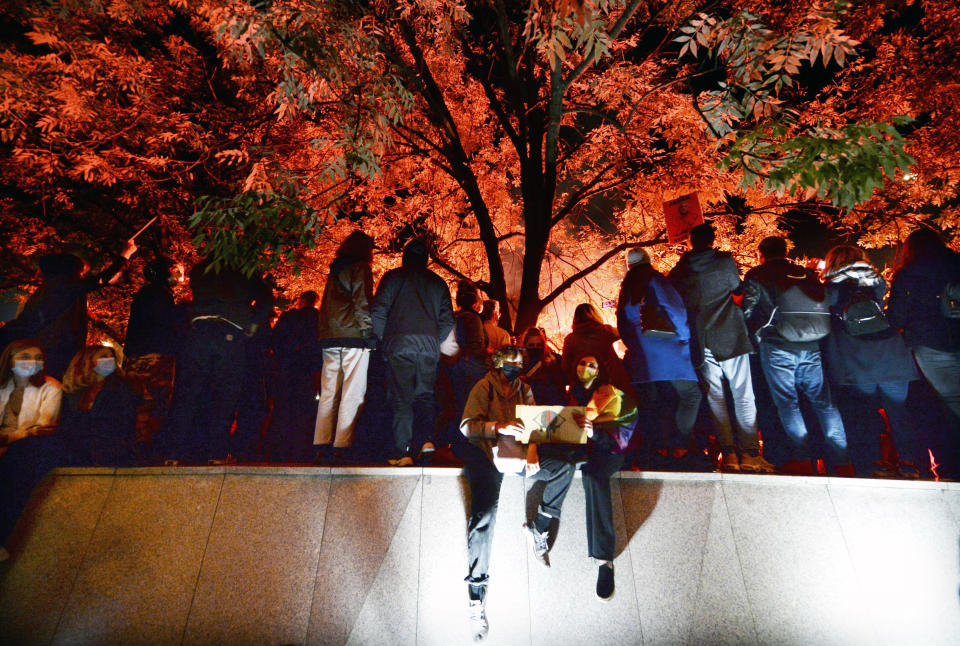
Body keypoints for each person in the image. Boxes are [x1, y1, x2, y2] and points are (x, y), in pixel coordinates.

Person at [459, 346, 574, 640]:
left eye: (518, 364)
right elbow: (467, 426)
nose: (515, 368)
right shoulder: (484, 386)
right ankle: (476, 592)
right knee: (484, 516)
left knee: (563, 469)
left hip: (517, 454)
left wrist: (533, 448)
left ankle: (540, 526)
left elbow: (534, 423)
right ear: (498, 364)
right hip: (487, 454)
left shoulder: (525, 389)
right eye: (510, 363)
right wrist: (498, 426)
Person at [668, 224, 774, 473]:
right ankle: (749, 452)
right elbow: (737, 289)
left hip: (700, 340)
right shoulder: (724, 261)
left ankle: (728, 454)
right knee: (743, 394)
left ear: (691, 242)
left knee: (715, 398)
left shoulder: (680, 270)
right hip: (730, 334)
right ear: (712, 240)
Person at [742, 236, 850, 474]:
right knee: (824, 403)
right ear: (785, 251)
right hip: (811, 345)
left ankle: (802, 458)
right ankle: (841, 459)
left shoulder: (757, 275)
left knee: (787, 403)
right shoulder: (803, 274)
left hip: (777, 345)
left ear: (761, 253)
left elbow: (747, 310)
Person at [821, 245, 923, 478]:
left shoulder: (831, 287)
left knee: (865, 414)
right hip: (890, 353)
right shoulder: (876, 281)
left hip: (856, 357)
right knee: (898, 413)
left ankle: (875, 463)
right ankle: (909, 462)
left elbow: (827, 311)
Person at [163, 258, 274, 464]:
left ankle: (174, 451)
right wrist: (252, 324)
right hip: (229, 330)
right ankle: (217, 452)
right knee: (226, 393)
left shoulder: (201, 270)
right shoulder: (243, 268)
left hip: (198, 331)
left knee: (187, 393)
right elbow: (266, 299)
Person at [616, 248, 706, 470]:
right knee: (690, 396)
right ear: (648, 261)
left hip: (642, 357)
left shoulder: (626, 289)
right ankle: (681, 442)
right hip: (669, 349)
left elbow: (621, 324)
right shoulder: (656, 280)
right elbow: (675, 309)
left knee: (653, 403)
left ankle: (660, 446)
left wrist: (635, 347)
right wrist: (684, 337)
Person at [1, 240, 138, 379]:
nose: (82, 277)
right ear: (69, 271)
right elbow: (101, 280)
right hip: (53, 357)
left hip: (43, 354)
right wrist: (125, 255)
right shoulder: (62, 288)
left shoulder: (48, 290)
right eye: (81, 272)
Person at [371, 239, 454, 466]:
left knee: (401, 398)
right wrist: (433, 341)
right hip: (428, 348)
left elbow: (378, 312)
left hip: (399, 345)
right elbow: (447, 320)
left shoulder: (393, 278)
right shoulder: (438, 283)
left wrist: (383, 338)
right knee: (425, 396)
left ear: (405, 256)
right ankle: (426, 441)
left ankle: (403, 450)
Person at [887, 228, 960, 476]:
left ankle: (950, 465)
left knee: (948, 402)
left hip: (930, 343)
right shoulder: (956, 262)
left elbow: (897, 315)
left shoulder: (908, 273)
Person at [566, 354, 638, 601]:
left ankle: (604, 560)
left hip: (609, 452)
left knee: (594, 477)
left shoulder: (610, 394)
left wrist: (593, 432)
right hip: (580, 452)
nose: (585, 367)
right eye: (582, 363)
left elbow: (620, 437)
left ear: (600, 370)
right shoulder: (571, 394)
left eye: (592, 364)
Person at [314, 231, 378, 465]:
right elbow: (362, 301)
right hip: (353, 336)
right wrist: (368, 332)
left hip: (330, 337)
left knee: (329, 392)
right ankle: (342, 444)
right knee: (353, 391)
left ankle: (321, 443)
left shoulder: (334, 270)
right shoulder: (360, 267)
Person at [0, 339, 63, 560]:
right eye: (25, 357)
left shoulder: (51, 387)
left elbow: (43, 427)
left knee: (16, 465)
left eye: (37, 358)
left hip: (26, 447)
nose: (32, 362)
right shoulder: (3, 387)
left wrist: (9, 438)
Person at [123, 258, 182, 457]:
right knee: (153, 401)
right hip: (155, 356)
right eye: (175, 271)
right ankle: (146, 445)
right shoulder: (160, 297)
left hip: (135, 356)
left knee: (136, 399)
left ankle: (134, 443)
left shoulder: (144, 295)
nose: (179, 276)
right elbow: (166, 327)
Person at [60, 344, 138, 467]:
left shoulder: (121, 389)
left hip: (110, 453)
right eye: (103, 356)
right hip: (76, 454)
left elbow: (123, 425)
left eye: (111, 357)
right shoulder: (75, 393)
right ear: (87, 361)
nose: (109, 360)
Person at [561, 303, 632, 393]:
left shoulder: (570, 339)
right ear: (595, 315)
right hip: (612, 382)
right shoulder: (606, 331)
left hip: (586, 386)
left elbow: (565, 366)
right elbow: (627, 333)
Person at [521, 327, 566, 406]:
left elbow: (563, 381)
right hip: (528, 403)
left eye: (539, 345)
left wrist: (554, 367)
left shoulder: (555, 359)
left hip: (552, 403)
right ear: (525, 345)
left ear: (544, 345)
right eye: (531, 345)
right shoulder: (519, 362)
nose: (535, 348)